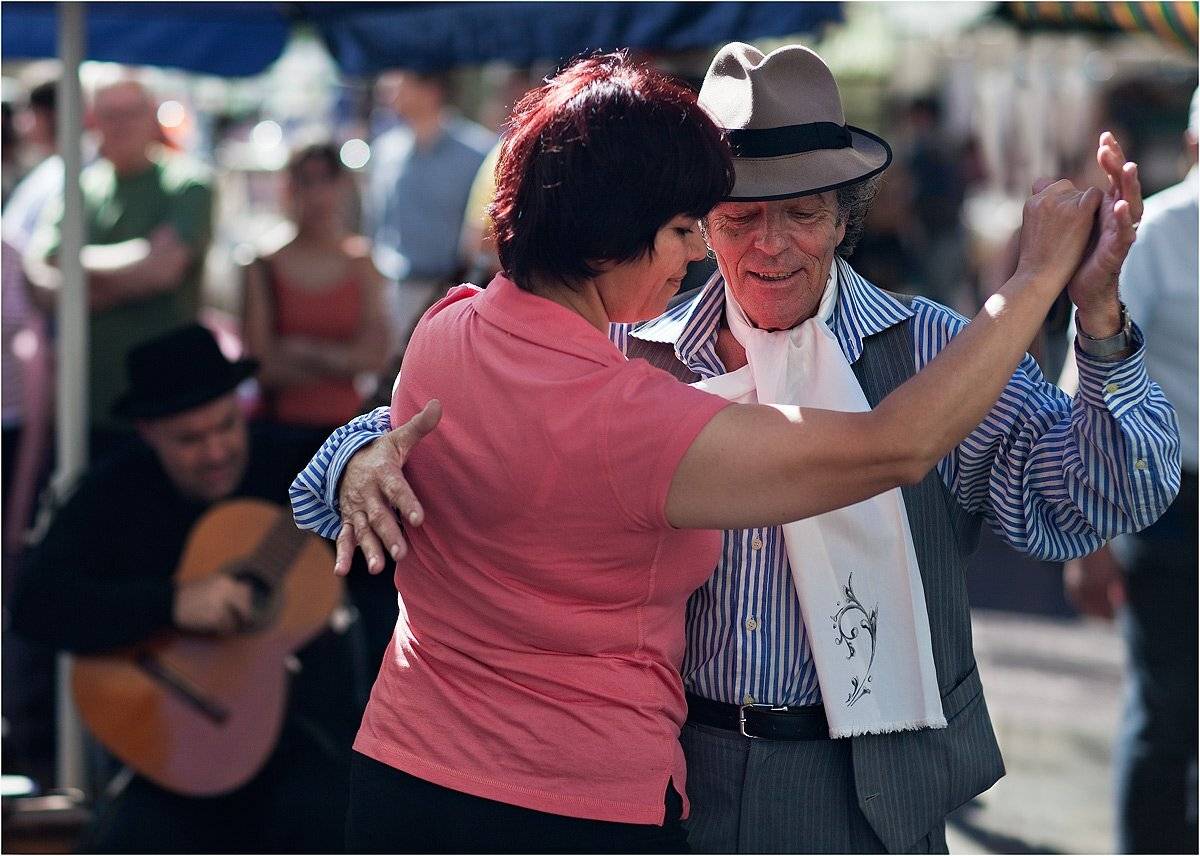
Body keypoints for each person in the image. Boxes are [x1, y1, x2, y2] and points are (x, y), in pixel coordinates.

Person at [304, 44, 1180, 854]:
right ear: (689, 222)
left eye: (801, 213)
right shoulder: (622, 344)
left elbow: (1098, 501)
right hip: (679, 777)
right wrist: (355, 453)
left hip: (866, 789)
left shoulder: (932, 351)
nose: (768, 243)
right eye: (733, 218)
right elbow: (455, 430)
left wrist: (1098, 318)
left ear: (845, 221)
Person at [10, 324, 363, 853]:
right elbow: (34, 606)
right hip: (175, 751)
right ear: (148, 432)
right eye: (190, 439)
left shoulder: (296, 464)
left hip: (304, 742)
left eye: (225, 426)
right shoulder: (113, 492)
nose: (216, 451)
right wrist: (171, 603)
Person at [1063, 86, 1198, 855]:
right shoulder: (1155, 237)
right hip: (1171, 502)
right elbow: (1089, 374)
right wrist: (1089, 540)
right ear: (1191, 150)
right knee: (1168, 705)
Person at [23, 77, 214, 460]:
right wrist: (137, 257)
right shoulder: (77, 188)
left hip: (170, 402)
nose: (122, 124)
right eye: (111, 114)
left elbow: (163, 273)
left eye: (132, 112)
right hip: (89, 399)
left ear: (152, 117)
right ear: (95, 120)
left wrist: (71, 264)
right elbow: (36, 279)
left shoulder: (188, 183)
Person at [242, 141, 394, 449]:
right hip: (280, 432)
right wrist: (343, 360)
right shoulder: (263, 264)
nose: (316, 194)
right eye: (305, 181)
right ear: (289, 187)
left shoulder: (362, 261)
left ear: (342, 186)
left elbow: (377, 358)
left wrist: (303, 351)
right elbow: (262, 368)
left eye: (326, 180)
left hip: (347, 433)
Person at [364, 69, 494, 341]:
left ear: (432, 89)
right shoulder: (385, 151)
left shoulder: (477, 152)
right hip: (396, 294)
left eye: (401, 80)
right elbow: (376, 225)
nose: (389, 88)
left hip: (454, 294)